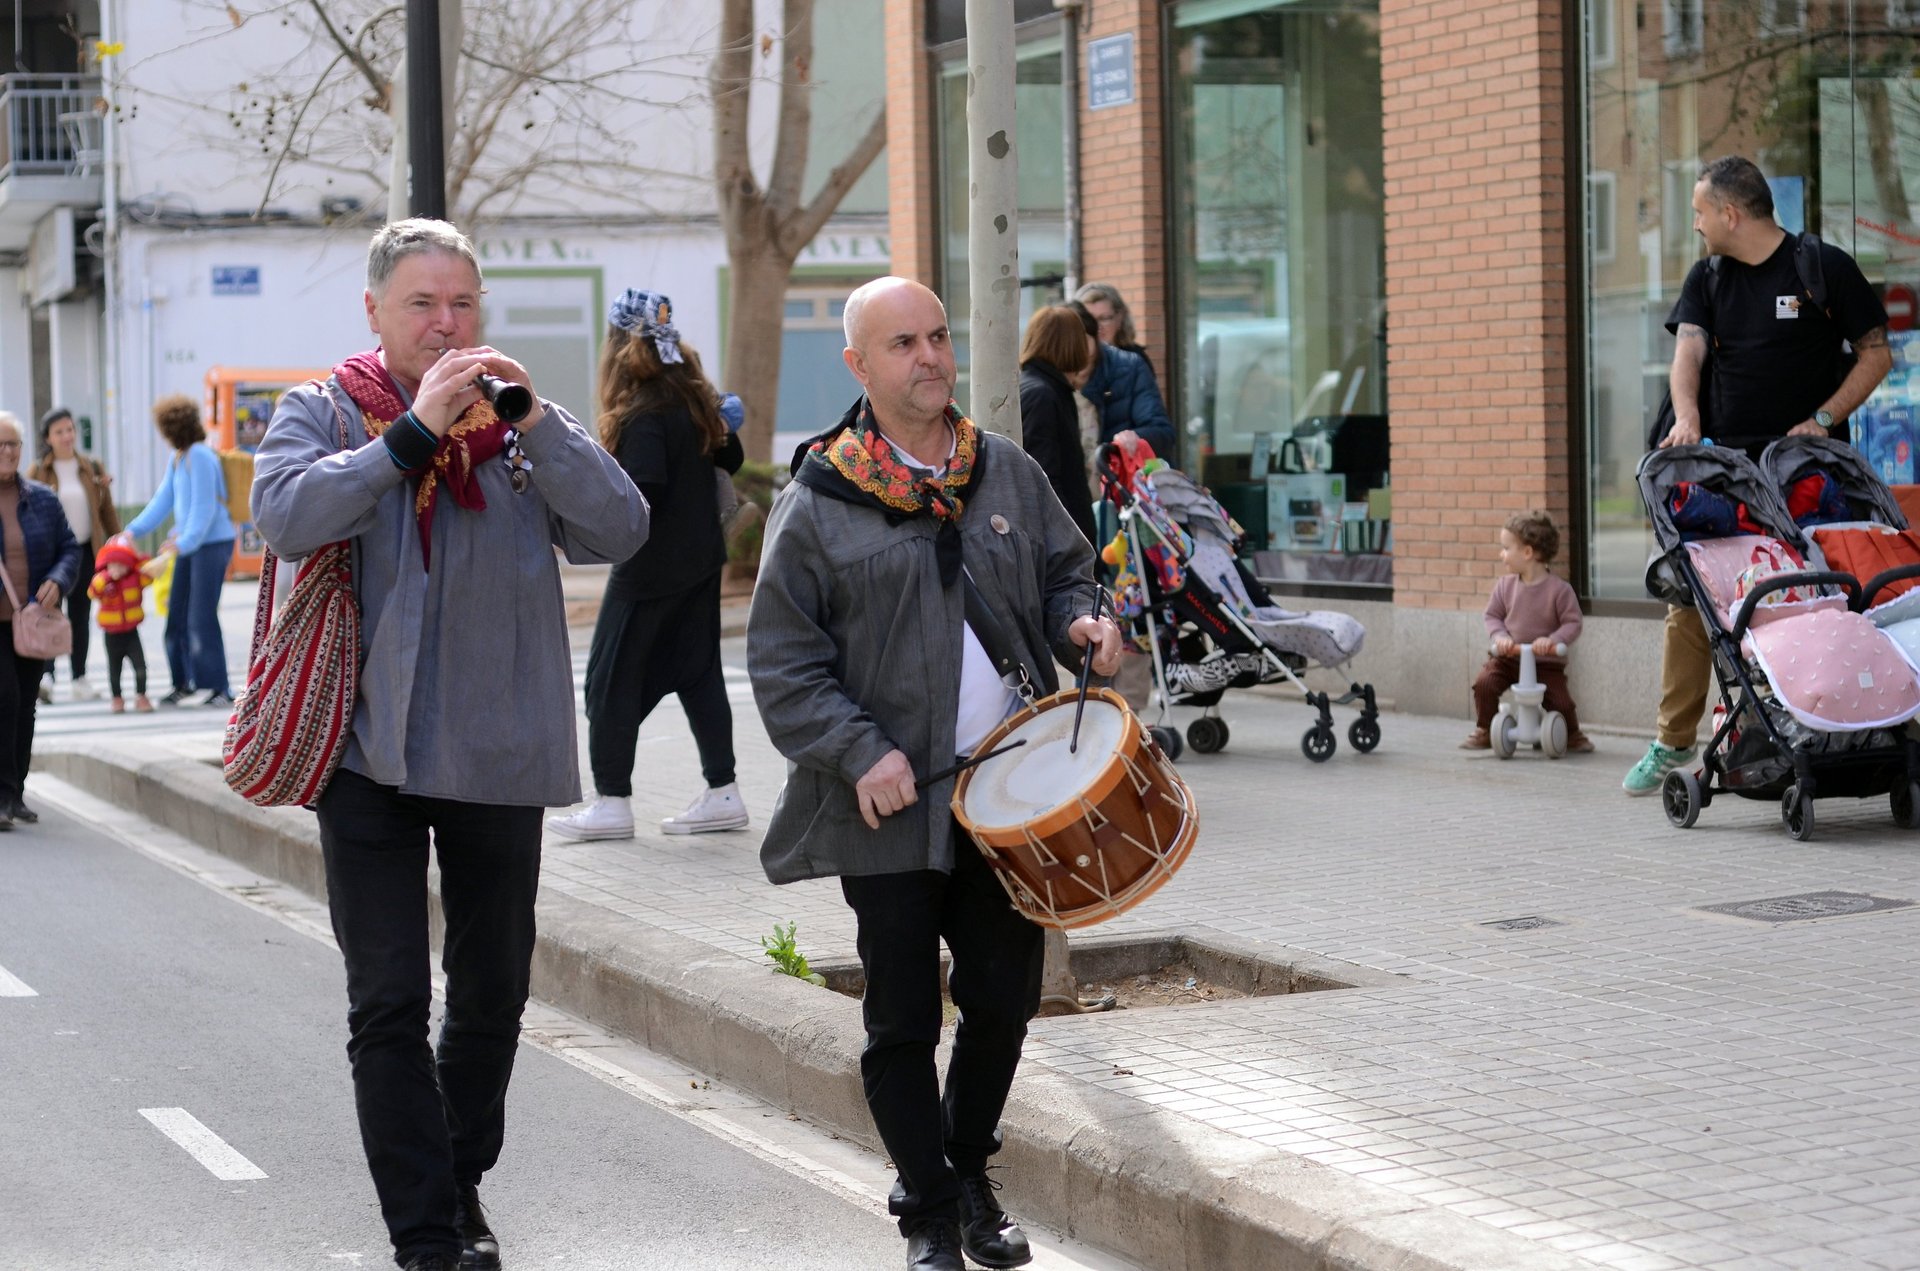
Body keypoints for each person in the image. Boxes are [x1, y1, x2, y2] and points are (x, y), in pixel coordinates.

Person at [251, 218, 647, 1271]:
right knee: (386, 998)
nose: (446, 323)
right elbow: (284, 517)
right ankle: (426, 1233)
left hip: (498, 747)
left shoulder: (520, 425)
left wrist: (543, 425)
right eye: (423, 304)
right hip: (364, 752)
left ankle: (459, 1173)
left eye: (463, 304)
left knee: (492, 990)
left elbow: (622, 529)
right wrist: (406, 438)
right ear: (375, 311)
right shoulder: (321, 409)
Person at [748, 276, 1123, 1271]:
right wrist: (859, 748)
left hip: (1006, 799)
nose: (929, 355)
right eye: (903, 341)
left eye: (939, 336)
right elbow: (783, 663)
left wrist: (1083, 615)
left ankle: (966, 1170)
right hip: (890, 806)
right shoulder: (820, 500)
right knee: (903, 1016)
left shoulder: (1000, 469)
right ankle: (928, 1212)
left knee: (1003, 997)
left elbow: (1065, 571)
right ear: (859, 364)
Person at [1625, 155, 1893, 796]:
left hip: (1805, 474)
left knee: (1823, 599)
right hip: (1728, 475)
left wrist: (1824, 418)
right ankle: (1673, 739)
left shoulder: (1821, 268)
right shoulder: (1708, 277)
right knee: (1695, 600)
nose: (1695, 224)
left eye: (1698, 212)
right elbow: (1688, 350)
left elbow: (1876, 351)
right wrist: (1687, 421)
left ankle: (1846, 724)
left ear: (1730, 213)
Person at [548, 289, 749, 842]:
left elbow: (641, 494)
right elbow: (731, 459)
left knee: (609, 682)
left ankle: (612, 802)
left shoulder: (644, 414)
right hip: (703, 559)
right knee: (699, 672)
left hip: (650, 570)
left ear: (616, 344)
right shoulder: (692, 401)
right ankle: (724, 791)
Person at [124, 394, 237, 708]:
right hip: (189, 544)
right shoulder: (178, 458)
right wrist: (131, 531)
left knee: (201, 616)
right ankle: (182, 681)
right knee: (176, 615)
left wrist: (183, 541)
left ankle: (218, 687)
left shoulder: (200, 456)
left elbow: (205, 508)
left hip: (211, 544)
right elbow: (162, 501)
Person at [0, 412, 84, 830]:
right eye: (0, 444)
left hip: (32, 620)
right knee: (6, 699)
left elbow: (70, 549)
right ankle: (2, 793)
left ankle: (15, 793)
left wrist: (58, 579)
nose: (7, 451)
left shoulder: (43, 499)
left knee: (26, 706)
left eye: (13, 443)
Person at [1462, 511, 1590, 753]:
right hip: (1508, 658)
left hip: (1545, 662)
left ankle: (1572, 734)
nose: (1502, 554)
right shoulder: (1505, 586)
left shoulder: (1559, 590)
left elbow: (1573, 622)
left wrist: (1552, 640)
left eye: (1506, 548)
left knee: (1561, 702)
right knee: (1484, 684)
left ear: (1528, 553)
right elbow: (1492, 616)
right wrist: (1500, 637)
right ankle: (1485, 728)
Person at [29, 406, 119, 703]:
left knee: (80, 615)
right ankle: (47, 676)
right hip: (49, 554)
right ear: (48, 438)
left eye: (70, 430)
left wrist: (118, 543)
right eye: (59, 432)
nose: (67, 436)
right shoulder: (37, 471)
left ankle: (79, 677)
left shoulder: (90, 466)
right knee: (49, 612)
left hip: (84, 551)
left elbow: (105, 511)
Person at [1017, 305, 1099, 546]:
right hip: (1061, 551)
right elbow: (1045, 478)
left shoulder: (1037, 388)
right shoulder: (1044, 395)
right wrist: (1072, 545)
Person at [87, 534, 154, 714]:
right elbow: (92, 592)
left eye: (121, 563)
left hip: (131, 632)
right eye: (112, 564)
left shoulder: (136, 577)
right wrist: (107, 576)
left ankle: (141, 695)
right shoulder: (102, 579)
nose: (117, 568)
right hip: (112, 634)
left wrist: (136, 553)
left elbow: (149, 573)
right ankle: (117, 698)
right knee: (114, 668)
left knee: (140, 666)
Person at [1074, 281, 1155, 378]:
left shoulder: (1136, 362)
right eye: (1088, 320)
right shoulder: (1065, 360)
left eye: (1104, 318)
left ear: (1120, 317)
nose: (1097, 327)